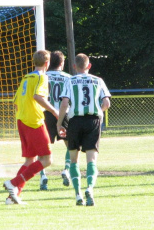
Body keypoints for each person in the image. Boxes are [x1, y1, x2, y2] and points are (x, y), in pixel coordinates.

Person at [3, 50, 59, 205]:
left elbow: (16, 102)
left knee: (30, 161)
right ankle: (13, 183)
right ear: (47, 63)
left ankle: (12, 197)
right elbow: (38, 96)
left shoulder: (26, 77)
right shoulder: (42, 76)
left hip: (21, 120)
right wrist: (54, 111)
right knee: (47, 160)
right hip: (34, 121)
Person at [57, 53, 111, 206]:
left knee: (74, 160)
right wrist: (98, 112)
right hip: (93, 121)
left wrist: (60, 123)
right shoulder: (98, 80)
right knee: (91, 159)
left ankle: (78, 195)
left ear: (74, 66)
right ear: (89, 66)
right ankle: (90, 189)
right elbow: (106, 103)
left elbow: (65, 103)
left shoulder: (70, 80)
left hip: (75, 121)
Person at [40, 50, 73, 190]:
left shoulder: (43, 76)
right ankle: (66, 169)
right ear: (61, 63)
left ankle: (43, 176)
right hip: (62, 113)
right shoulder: (68, 78)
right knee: (70, 144)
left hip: (45, 113)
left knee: (42, 146)